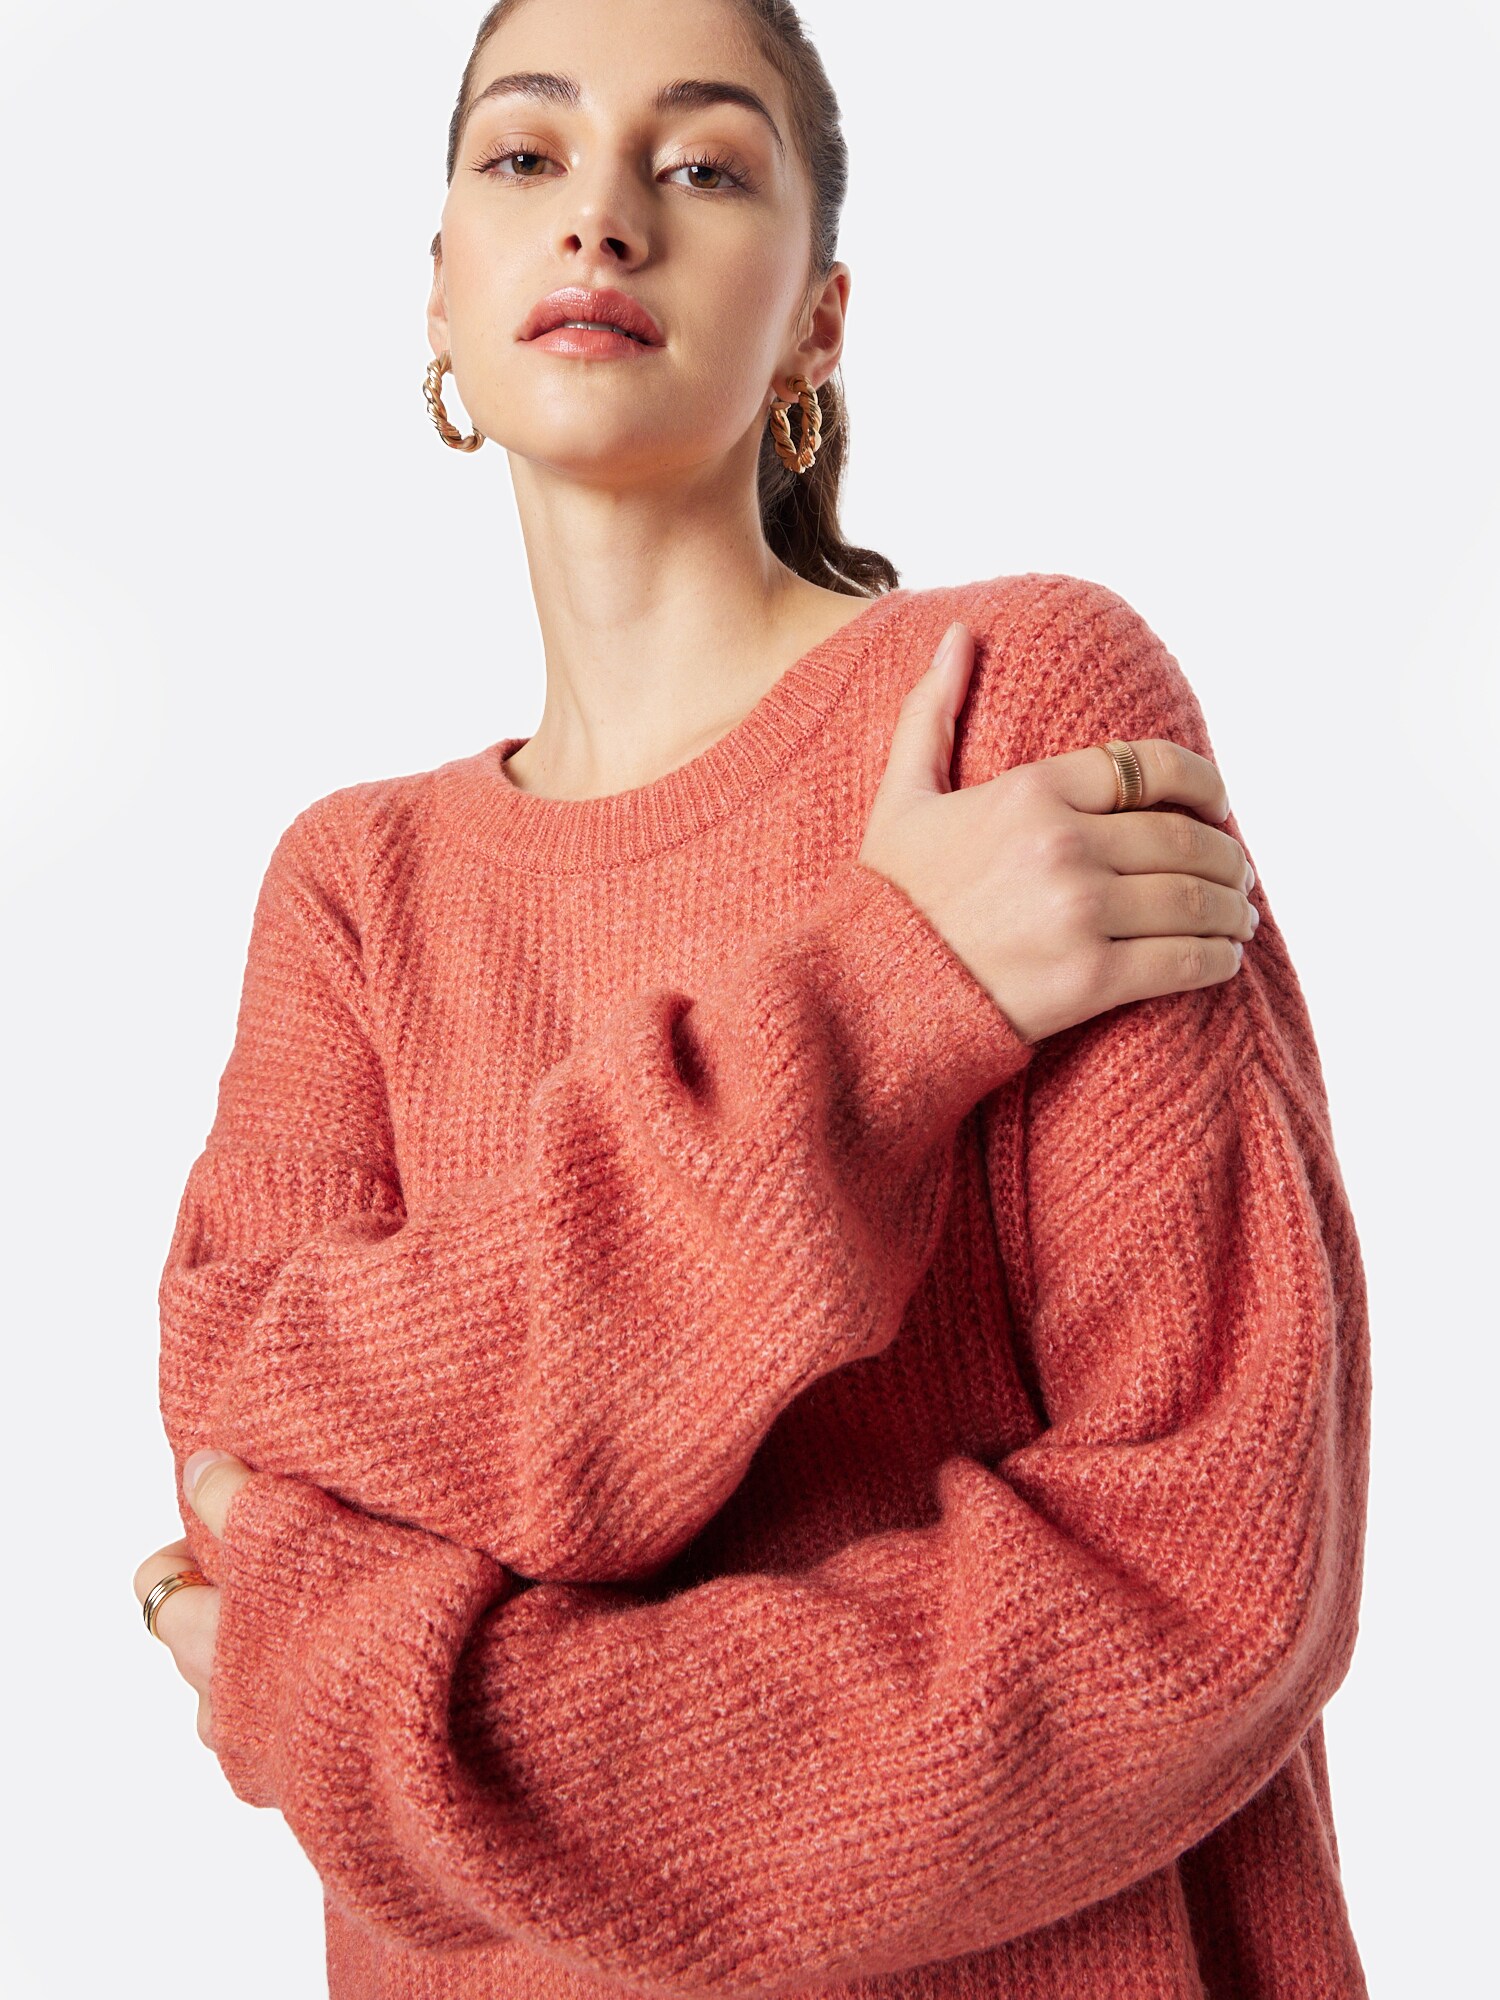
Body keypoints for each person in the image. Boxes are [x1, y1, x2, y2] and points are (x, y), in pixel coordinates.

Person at [133, 1, 1371, 1995]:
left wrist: (411, 1736)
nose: (603, 214)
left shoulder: (1018, 713)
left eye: (705, 165)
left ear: (817, 324)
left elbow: (1212, 1569)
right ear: (437, 296)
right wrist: (891, 994)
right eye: (524, 156)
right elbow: (253, 1422)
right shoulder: (353, 888)